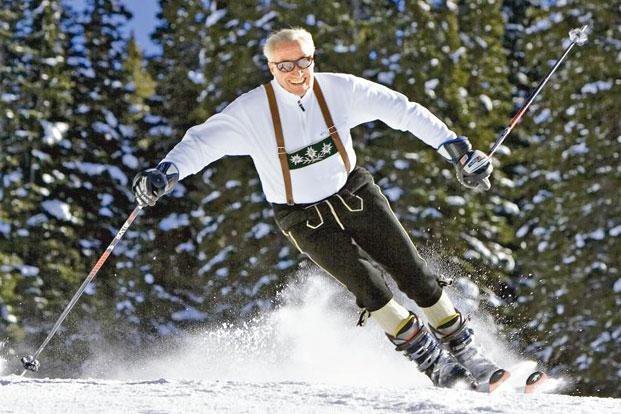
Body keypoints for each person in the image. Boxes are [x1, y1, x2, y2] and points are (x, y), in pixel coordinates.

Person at [132, 28, 504, 390]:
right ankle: (433, 363)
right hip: (303, 218)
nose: (296, 73)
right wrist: (167, 172)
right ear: (271, 68)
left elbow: (401, 110)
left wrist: (456, 150)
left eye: (302, 62)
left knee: (413, 272)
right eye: (284, 66)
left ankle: (469, 353)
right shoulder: (252, 111)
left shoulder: (341, 89)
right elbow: (201, 142)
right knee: (369, 288)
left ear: (313, 58)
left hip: (354, 194)